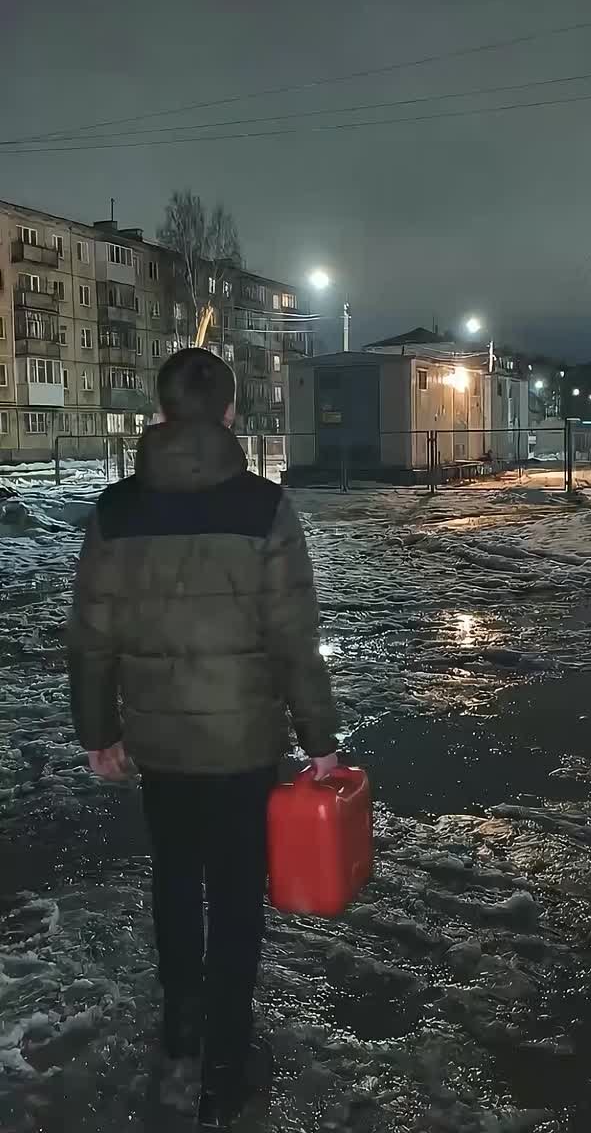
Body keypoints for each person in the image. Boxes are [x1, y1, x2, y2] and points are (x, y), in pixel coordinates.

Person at [67, 348, 339, 1128]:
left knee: (175, 882)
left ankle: (181, 1026)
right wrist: (319, 737)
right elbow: (293, 639)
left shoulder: (116, 511)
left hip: (160, 748)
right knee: (237, 898)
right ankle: (224, 1066)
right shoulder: (264, 508)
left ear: (159, 413)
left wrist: (99, 732)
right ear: (229, 414)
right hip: (244, 747)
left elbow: (90, 638)